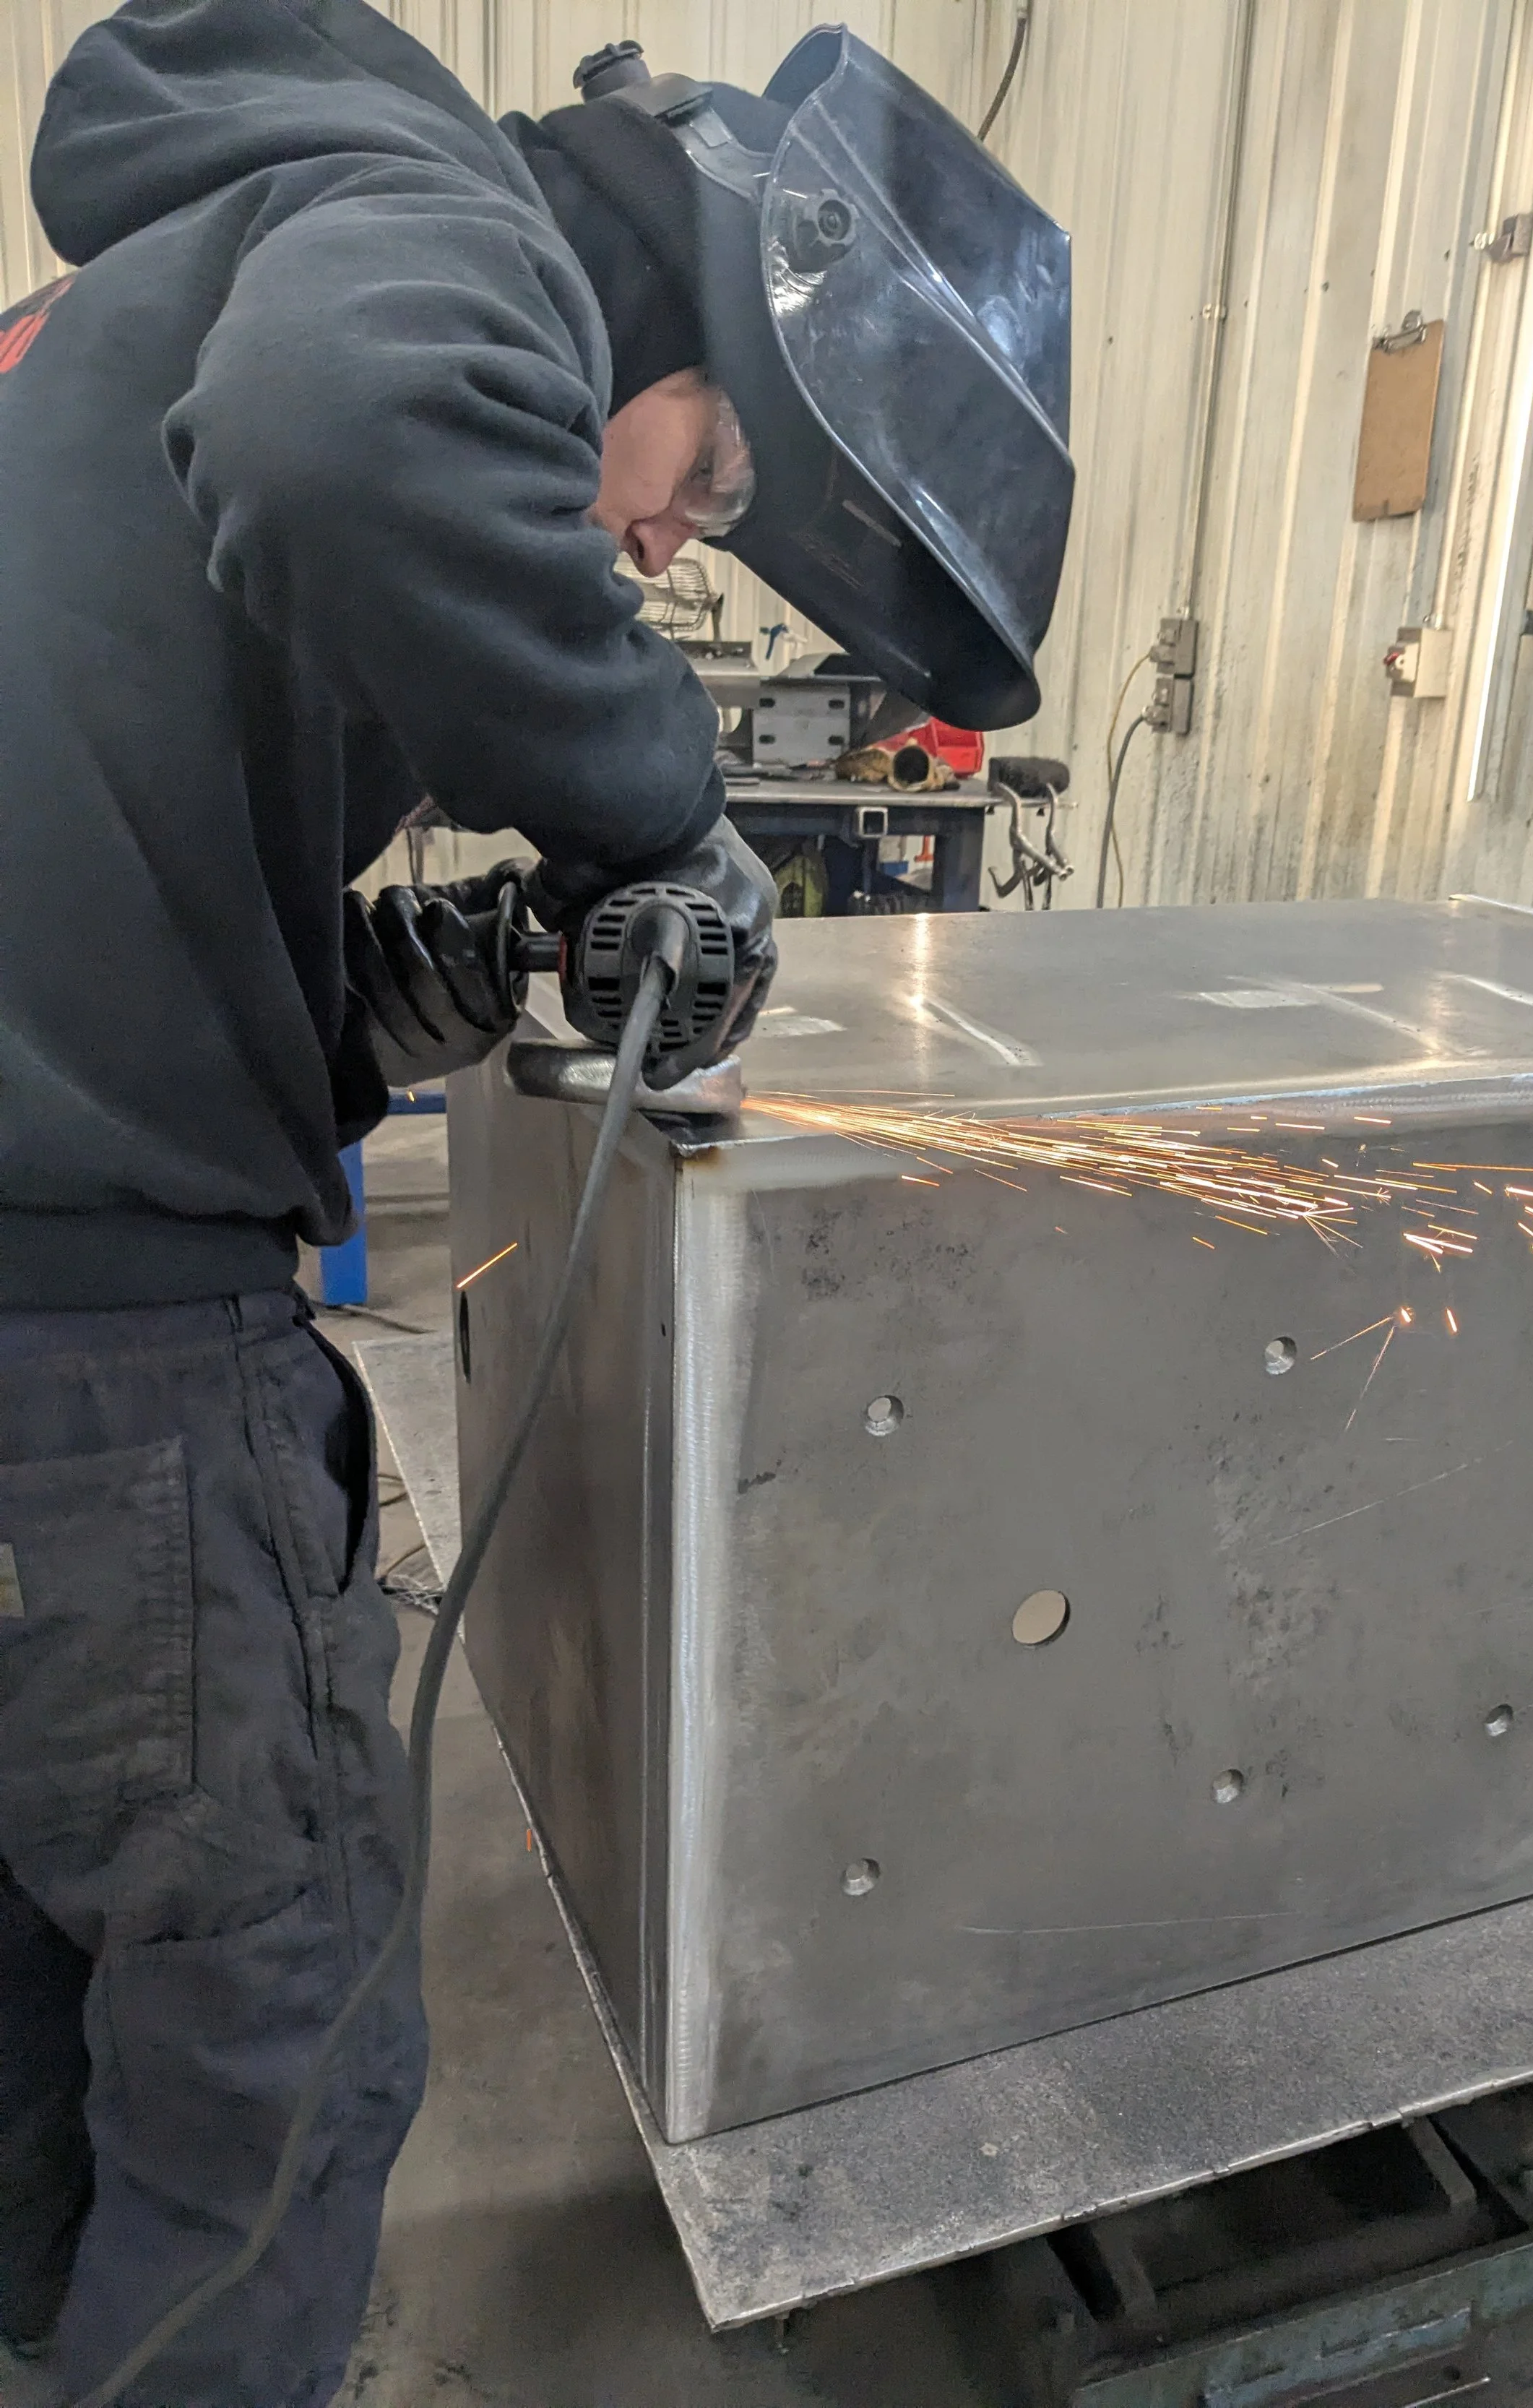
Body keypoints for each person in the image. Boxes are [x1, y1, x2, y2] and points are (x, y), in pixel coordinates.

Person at [0, 1, 1072, 2401]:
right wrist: (641, 807)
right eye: (712, 485)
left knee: (58, 2018)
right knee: (269, 2066)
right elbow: (346, 437)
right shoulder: (429, 235)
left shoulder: (123, 305)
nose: (674, 539)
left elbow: (125, 939)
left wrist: (461, 961)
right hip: (97, 1392)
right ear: (688, 311)